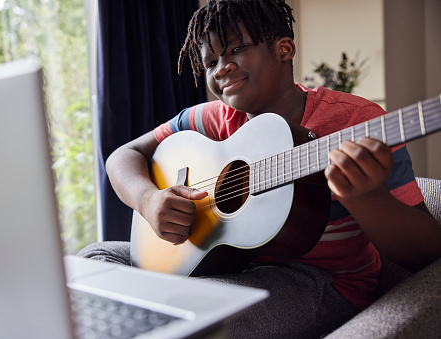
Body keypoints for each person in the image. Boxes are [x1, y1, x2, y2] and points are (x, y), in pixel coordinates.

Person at [79, 0, 441, 337]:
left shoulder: (355, 122)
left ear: (284, 49)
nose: (222, 68)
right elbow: (124, 155)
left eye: (236, 49)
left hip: (320, 280)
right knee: (90, 263)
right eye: (210, 62)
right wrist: (148, 199)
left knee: (197, 312)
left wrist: (367, 198)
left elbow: (426, 254)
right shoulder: (213, 121)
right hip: (230, 268)